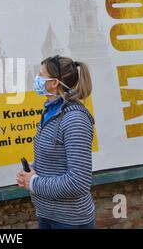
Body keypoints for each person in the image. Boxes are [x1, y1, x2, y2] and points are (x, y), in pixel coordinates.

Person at [17, 55, 96, 229]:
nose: (36, 78)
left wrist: (34, 182)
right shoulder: (50, 112)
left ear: (54, 83)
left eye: (40, 74)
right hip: (47, 214)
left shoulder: (75, 119)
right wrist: (31, 169)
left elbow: (78, 182)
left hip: (70, 220)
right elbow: (54, 158)